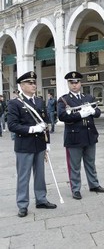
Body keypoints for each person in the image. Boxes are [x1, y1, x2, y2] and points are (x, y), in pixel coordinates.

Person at [7, 71, 56, 217]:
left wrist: (47, 143)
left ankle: (41, 199)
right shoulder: (14, 103)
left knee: (40, 174)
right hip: (24, 145)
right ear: (22, 86)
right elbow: (12, 125)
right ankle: (22, 204)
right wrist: (32, 129)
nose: (34, 85)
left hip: (39, 144)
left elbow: (45, 123)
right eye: (30, 83)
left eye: (34, 82)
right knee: (24, 176)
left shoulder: (39, 101)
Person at [57, 71, 104, 200]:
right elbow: (62, 116)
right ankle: (75, 189)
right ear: (68, 84)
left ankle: (94, 184)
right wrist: (80, 114)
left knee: (90, 162)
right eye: (71, 83)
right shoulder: (64, 99)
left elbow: (98, 112)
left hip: (90, 135)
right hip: (74, 137)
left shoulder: (88, 98)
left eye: (77, 82)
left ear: (81, 83)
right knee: (75, 165)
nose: (74, 85)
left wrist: (92, 111)